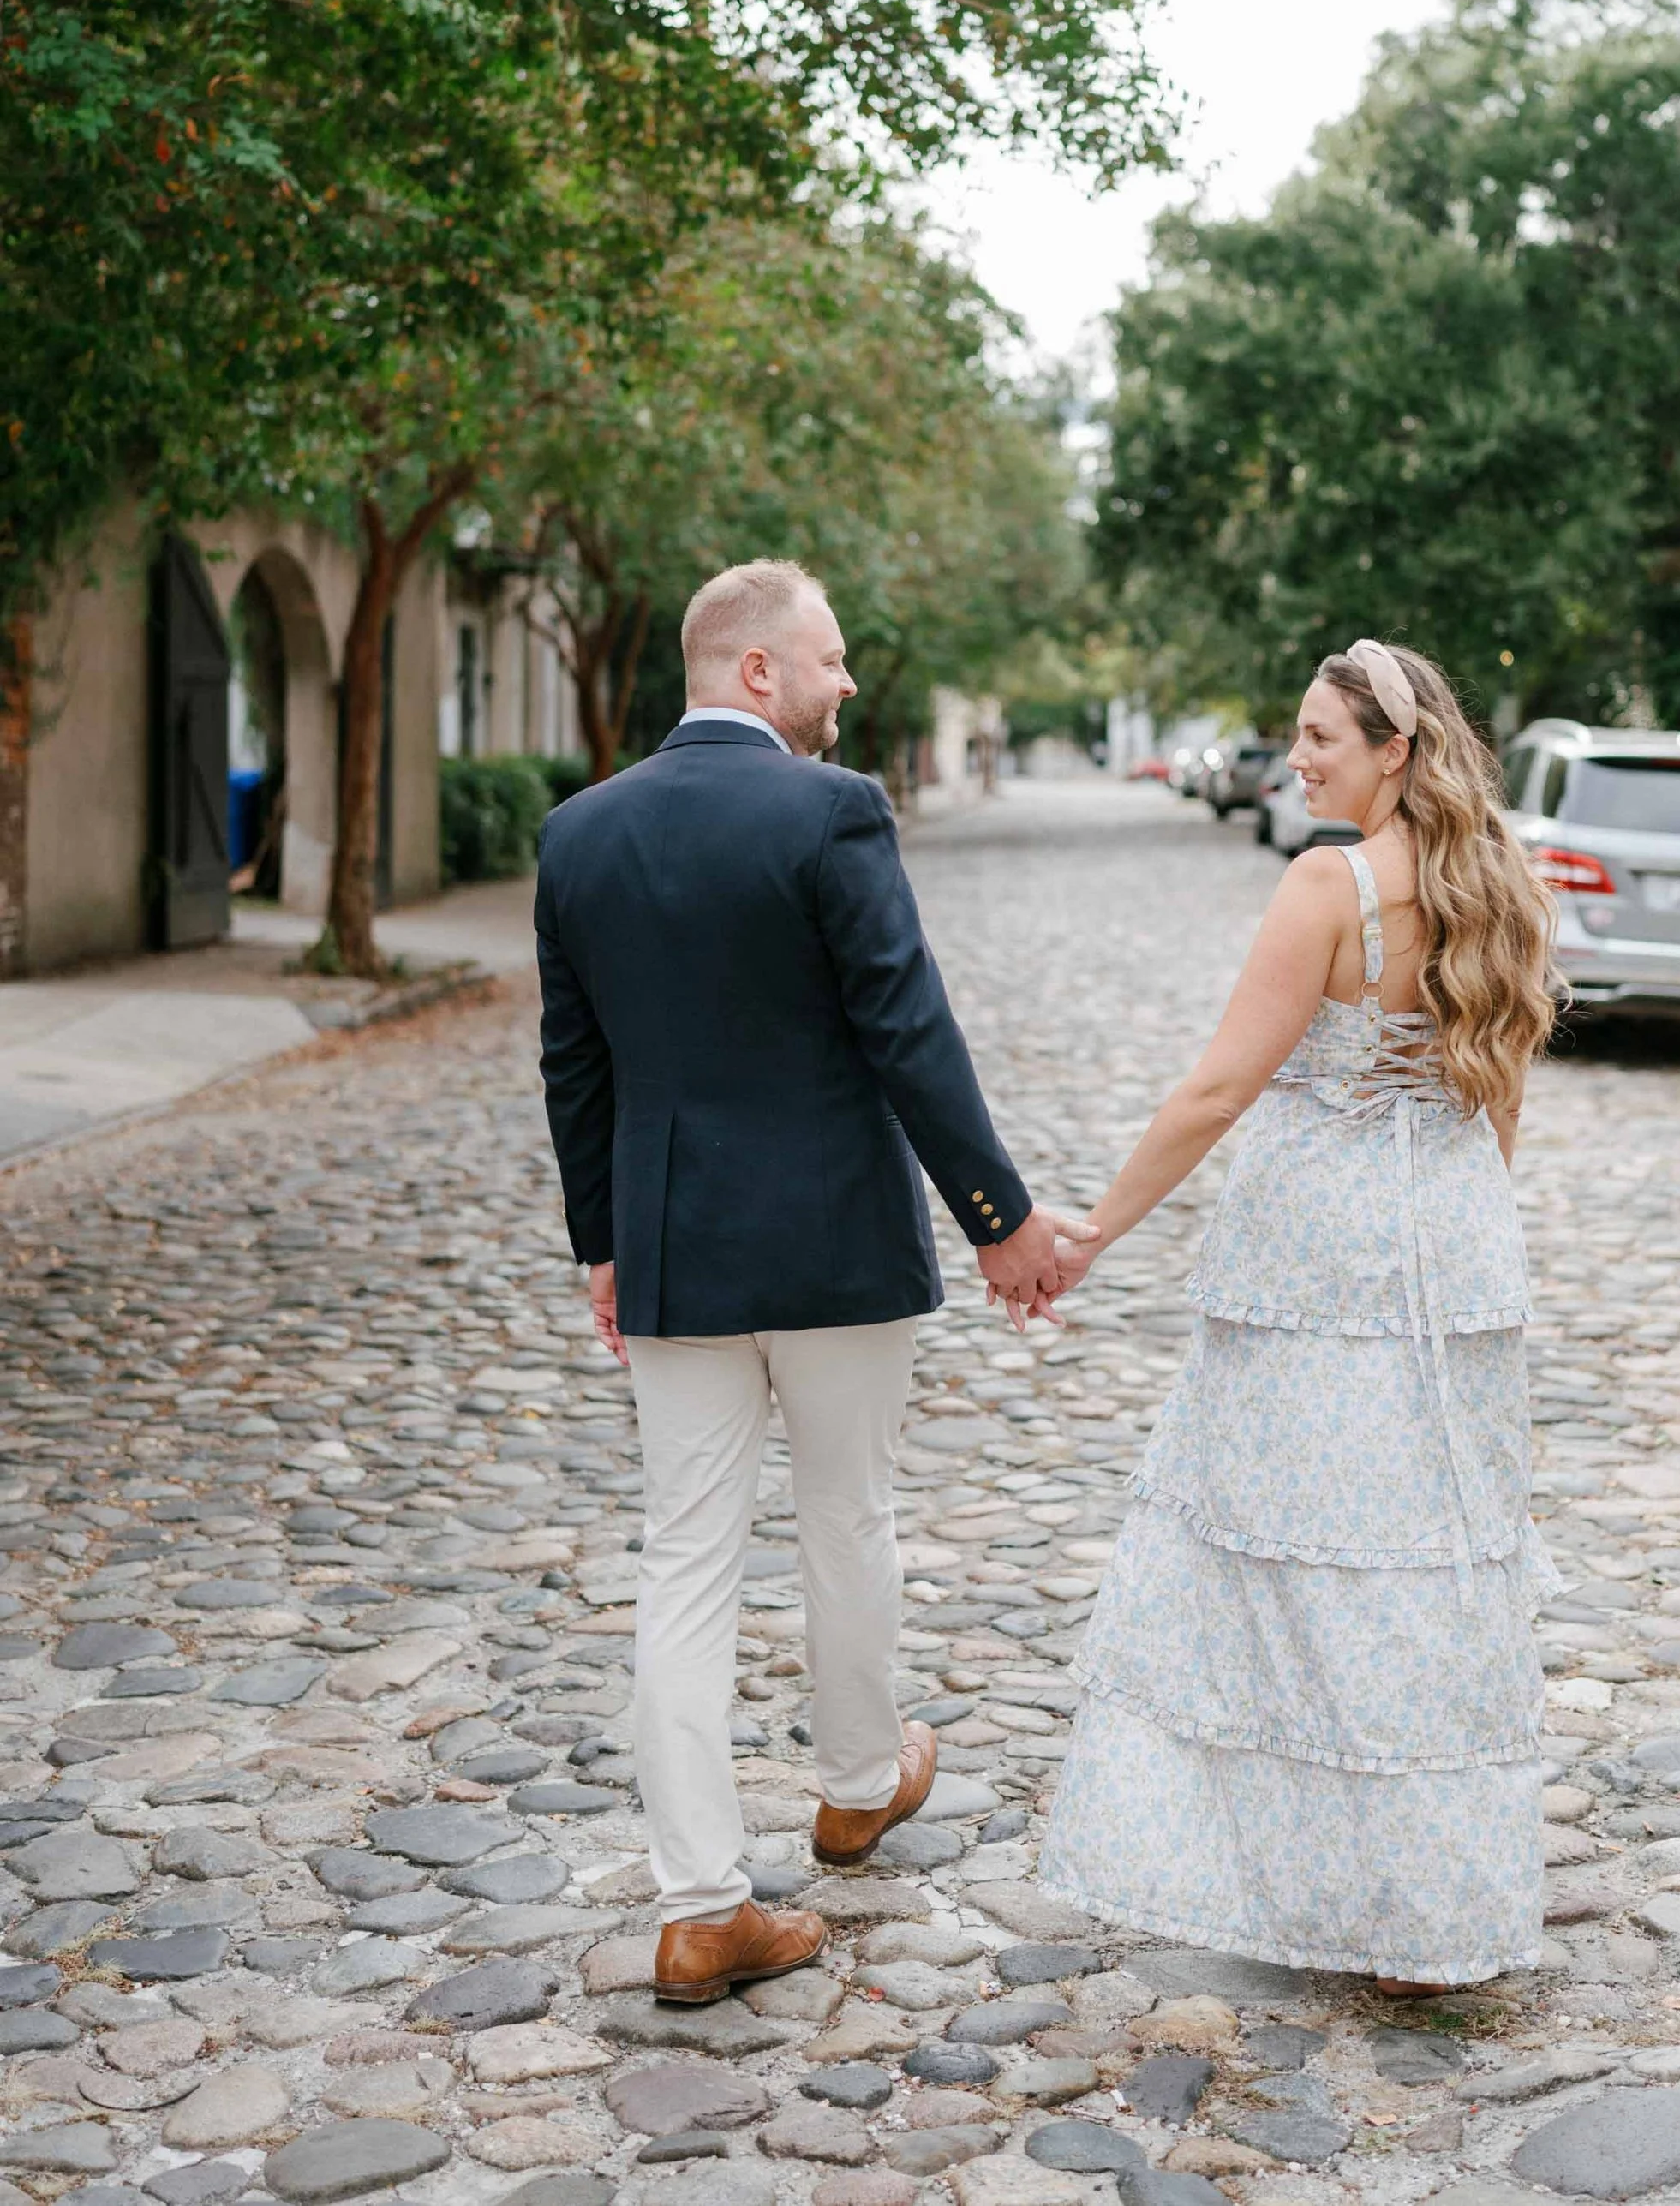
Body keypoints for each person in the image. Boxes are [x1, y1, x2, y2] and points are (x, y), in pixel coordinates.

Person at [535, 558, 1093, 2007]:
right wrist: (1001, 1218)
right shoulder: (831, 809)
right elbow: (908, 1027)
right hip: (837, 1245)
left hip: (672, 1249)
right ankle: (854, 1787)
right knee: (848, 1514)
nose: (847, 681)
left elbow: (574, 1063)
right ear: (757, 669)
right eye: (830, 658)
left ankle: (701, 1906)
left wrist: (604, 1242)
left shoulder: (579, 834)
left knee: (685, 1556)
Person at [1037, 638, 1561, 1989]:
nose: (1300, 756)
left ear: (1396, 748)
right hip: (1454, 1239)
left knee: (1312, 1569)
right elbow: (1498, 1095)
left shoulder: (1329, 885)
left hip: (1319, 1264)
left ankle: (1343, 1881)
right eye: (1299, 732)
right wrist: (1468, 1246)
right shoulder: (1494, 876)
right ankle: (1425, 1907)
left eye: (1324, 735)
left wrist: (1095, 1227)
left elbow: (1219, 1090)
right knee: (1429, 1569)